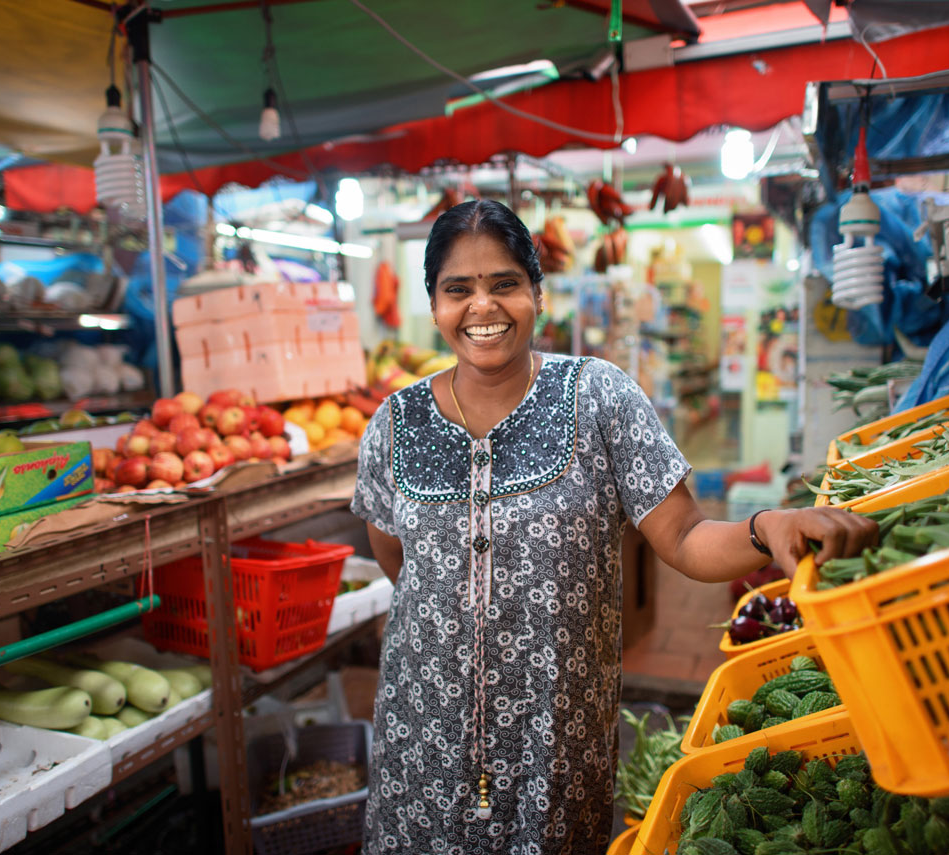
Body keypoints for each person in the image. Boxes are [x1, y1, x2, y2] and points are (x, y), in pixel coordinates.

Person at [350, 199, 877, 854]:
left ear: (537, 293)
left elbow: (682, 536)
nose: (483, 306)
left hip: (554, 735)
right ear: (434, 305)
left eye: (504, 283)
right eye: (458, 289)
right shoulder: (395, 424)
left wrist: (766, 527)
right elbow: (400, 562)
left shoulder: (600, 396)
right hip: (422, 730)